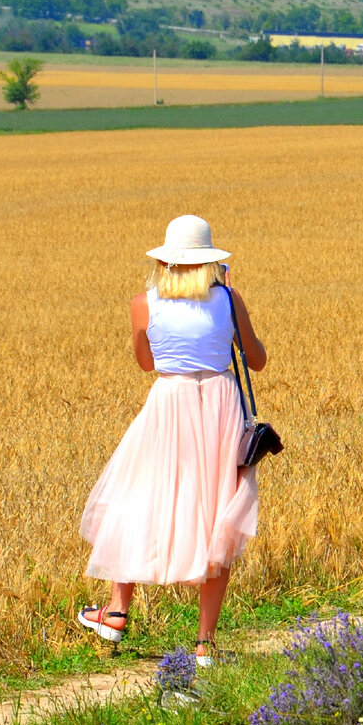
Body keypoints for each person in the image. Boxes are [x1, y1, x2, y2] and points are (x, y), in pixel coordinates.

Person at [77, 215, 267, 666]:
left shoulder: (143, 303)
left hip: (170, 404)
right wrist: (232, 308)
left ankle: (117, 611)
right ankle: (204, 645)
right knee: (217, 516)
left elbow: (147, 364)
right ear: (211, 262)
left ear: (166, 261)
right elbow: (256, 361)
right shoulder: (229, 298)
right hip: (220, 407)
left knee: (137, 499)